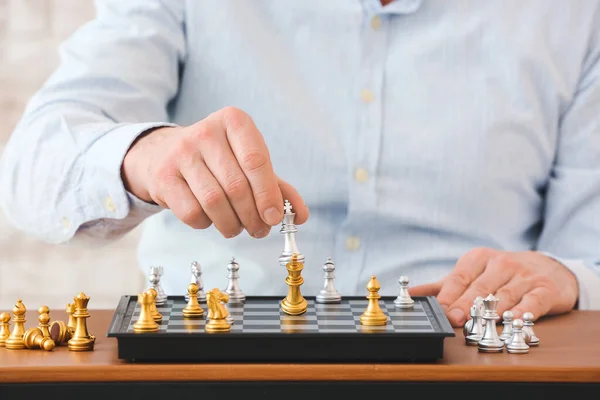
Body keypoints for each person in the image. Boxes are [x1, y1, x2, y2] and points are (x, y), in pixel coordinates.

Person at [1, 0, 599, 328]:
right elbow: (30, 171)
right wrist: (141, 154)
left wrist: (569, 277)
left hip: (477, 358)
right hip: (210, 362)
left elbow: (588, 253)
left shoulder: (574, 19)